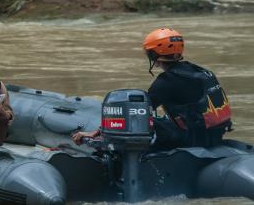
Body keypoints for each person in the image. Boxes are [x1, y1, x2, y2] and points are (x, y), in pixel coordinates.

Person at [72, 28, 232, 149]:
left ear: (153, 56)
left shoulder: (167, 81)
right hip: (214, 136)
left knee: (137, 125)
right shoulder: (201, 71)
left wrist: (98, 132)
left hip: (192, 139)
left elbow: (139, 112)